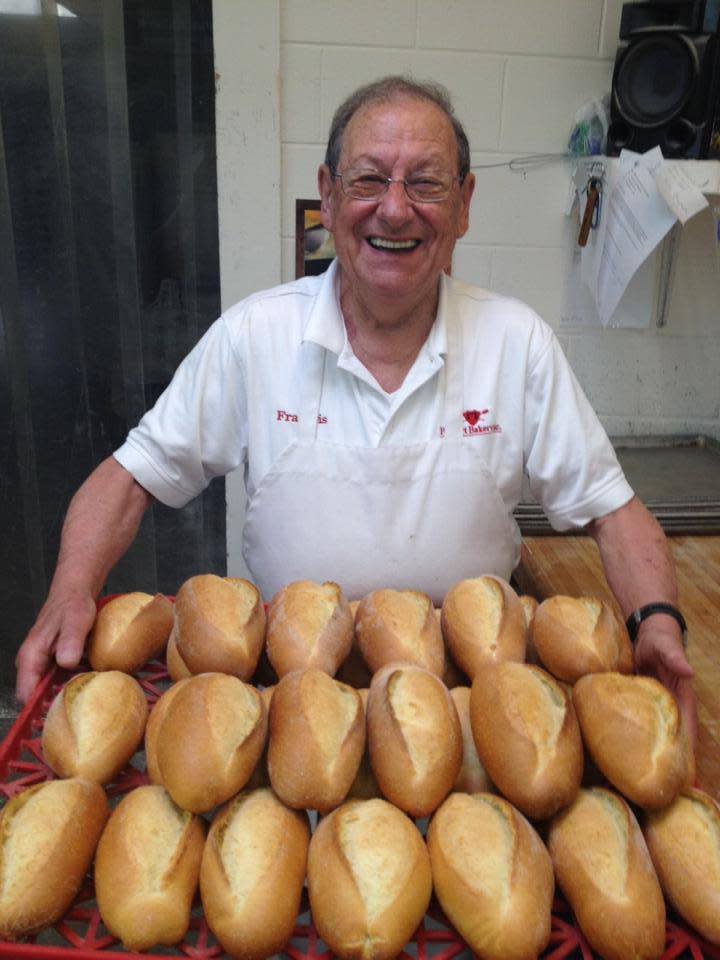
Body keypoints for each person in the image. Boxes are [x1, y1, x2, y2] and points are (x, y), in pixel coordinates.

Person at [15, 76, 696, 742]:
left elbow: (612, 508)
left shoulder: (517, 344)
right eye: (368, 180)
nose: (395, 210)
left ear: (464, 204)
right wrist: (71, 589)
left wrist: (658, 621)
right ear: (329, 195)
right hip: (287, 714)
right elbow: (133, 475)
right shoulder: (257, 336)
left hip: (478, 721)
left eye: (425, 183)